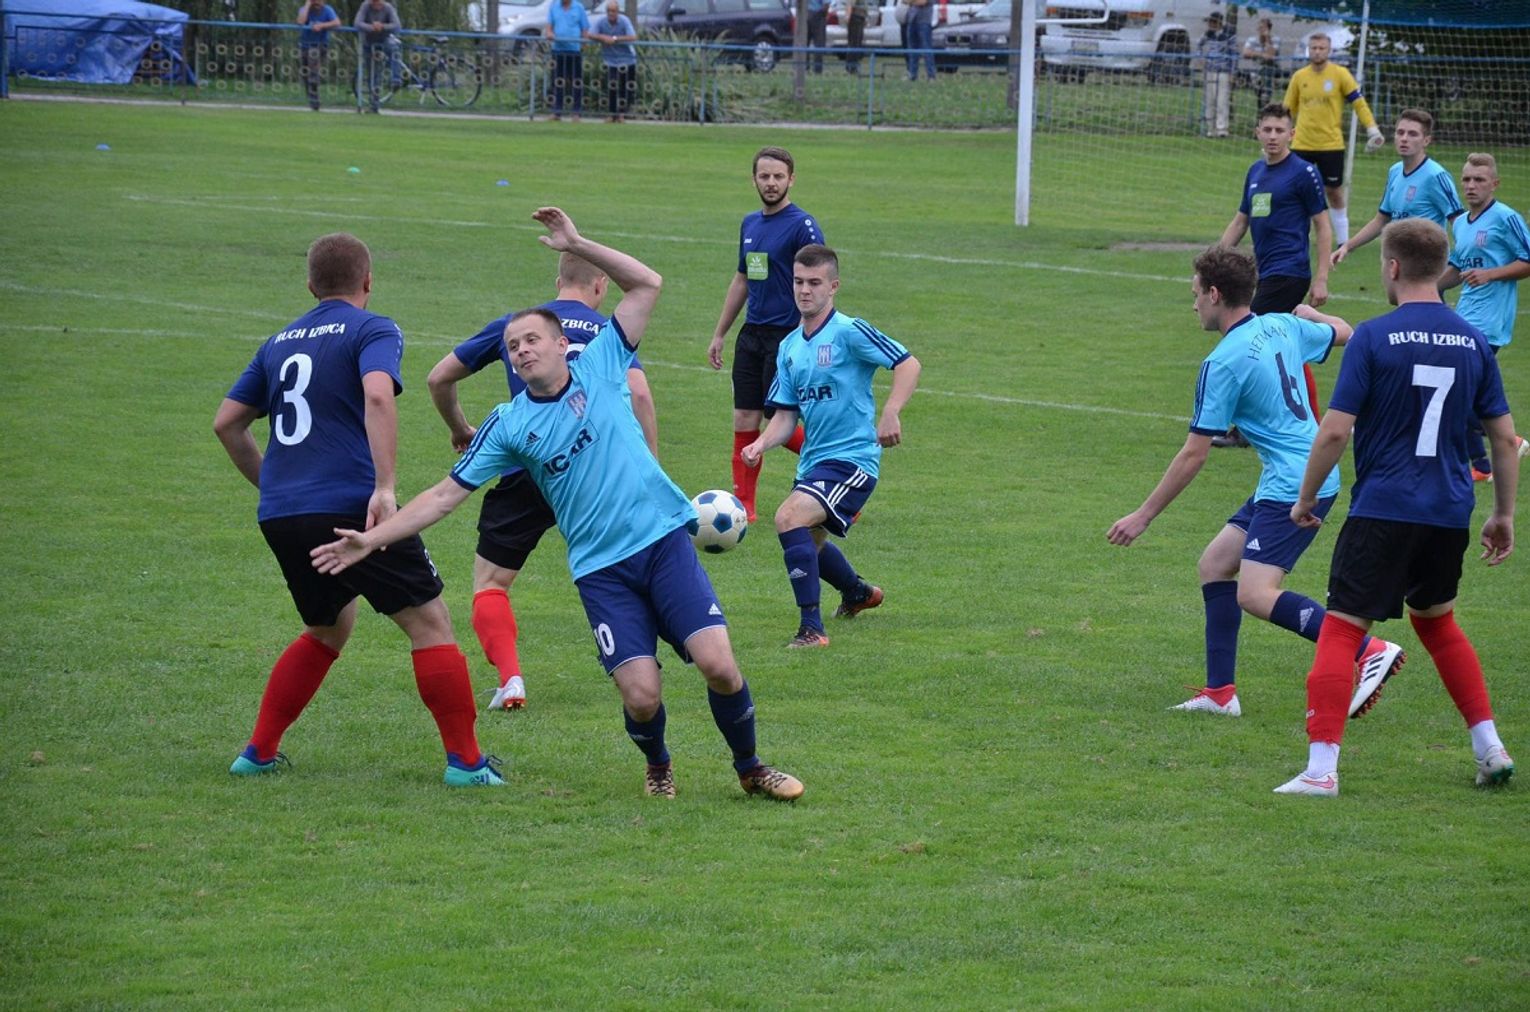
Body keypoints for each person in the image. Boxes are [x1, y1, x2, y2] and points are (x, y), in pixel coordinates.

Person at [313, 208, 805, 803]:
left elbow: (647, 283)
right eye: (512, 346)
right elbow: (444, 496)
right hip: (601, 570)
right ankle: (658, 764)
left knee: (719, 666)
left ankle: (751, 768)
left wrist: (578, 243)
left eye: (531, 340)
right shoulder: (508, 425)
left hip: (661, 544)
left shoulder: (601, 364)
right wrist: (373, 538)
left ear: (562, 344)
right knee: (641, 696)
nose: (521, 351)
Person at [215, 233, 502, 787]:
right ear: (368, 281)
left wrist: (275, 486)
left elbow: (227, 423)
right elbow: (376, 394)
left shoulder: (277, 343)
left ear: (310, 286)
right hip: (351, 505)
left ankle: (257, 753)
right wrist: (385, 486)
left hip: (282, 513)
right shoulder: (373, 328)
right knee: (429, 622)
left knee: (328, 627)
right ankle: (467, 765)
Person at [1107, 245, 1403, 718]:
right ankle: (1220, 694)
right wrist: (1312, 314)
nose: (1193, 305)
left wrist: (1143, 516)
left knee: (1255, 593)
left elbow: (1194, 453)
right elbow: (1346, 332)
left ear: (1215, 294)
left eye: (1196, 294)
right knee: (1215, 564)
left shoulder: (1222, 363)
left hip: (1294, 484)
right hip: (1301, 473)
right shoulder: (1280, 324)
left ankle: (1368, 649)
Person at [1278, 218, 1518, 796]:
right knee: (1437, 623)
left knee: (1341, 629)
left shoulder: (1373, 337)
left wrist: (1306, 497)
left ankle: (1321, 769)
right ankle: (1490, 747)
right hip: (1448, 511)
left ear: (1391, 267)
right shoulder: (1474, 342)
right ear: (1440, 269)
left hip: (1383, 507)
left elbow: (1335, 431)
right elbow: (1504, 440)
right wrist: (1503, 514)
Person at [425, 252, 659, 711]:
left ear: (558, 282)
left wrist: (459, 428)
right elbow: (640, 394)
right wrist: (649, 466)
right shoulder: (606, 330)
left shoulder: (517, 328)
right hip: (594, 469)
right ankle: (639, 655)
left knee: (491, 582)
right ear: (600, 285)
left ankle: (511, 680)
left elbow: (438, 379)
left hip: (529, 465)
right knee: (625, 565)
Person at [740, 245, 922, 648]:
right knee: (811, 543)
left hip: (853, 461)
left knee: (788, 518)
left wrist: (891, 411)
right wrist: (761, 443)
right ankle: (858, 592)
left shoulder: (849, 331)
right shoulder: (790, 347)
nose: (805, 290)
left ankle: (812, 629)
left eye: (814, 283)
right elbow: (785, 417)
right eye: (798, 282)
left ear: (833, 286)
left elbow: (908, 363)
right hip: (814, 463)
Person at [707, 146, 822, 522]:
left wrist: (809, 332)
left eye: (778, 176)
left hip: (786, 336)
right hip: (751, 335)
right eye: (764, 176)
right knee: (744, 418)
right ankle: (745, 507)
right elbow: (742, 279)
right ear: (754, 180)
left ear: (791, 179)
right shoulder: (750, 224)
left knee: (778, 422)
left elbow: (817, 280)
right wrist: (720, 333)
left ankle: (835, 476)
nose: (771, 183)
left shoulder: (803, 226)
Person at [1216, 103, 1333, 449]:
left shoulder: (1304, 173)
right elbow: (1241, 220)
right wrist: (1214, 261)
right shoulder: (1255, 172)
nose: (1272, 136)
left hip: (1290, 271)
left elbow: (1322, 226)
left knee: (1247, 339)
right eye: (1267, 129)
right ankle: (1309, 423)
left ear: (1291, 134)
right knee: (1283, 347)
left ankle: (1244, 428)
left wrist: (1321, 277)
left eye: (1279, 130)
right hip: (1264, 272)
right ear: (1257, 132)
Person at [1439, 152, 1530, 481]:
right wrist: (1426, 289)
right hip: (1465, 315)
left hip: (1490, 322)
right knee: (1460, 390)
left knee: (1456, 391)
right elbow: (1458, 268)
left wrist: (1491, 274)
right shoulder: (1462, 223)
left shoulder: (1506, 218)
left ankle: (1510, 441)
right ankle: (1481, 465)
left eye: (1479, 180)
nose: (1471, 185)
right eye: (1466, 179)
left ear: (1495, 183)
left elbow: (1528, 260)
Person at [1283, 31, 1386, 247]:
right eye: (1313, 48)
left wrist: (1372, 129)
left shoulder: (1340, 74)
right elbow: (1287, 110)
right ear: (1308, 50)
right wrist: (1280, 137)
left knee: (1334, 191)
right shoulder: (1299, 77)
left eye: (1321, 48)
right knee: (1296, 191)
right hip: (1301, 143)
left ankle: (1343, 241)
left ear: (1329, 51)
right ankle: (1296, 237)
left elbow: (1358, 102)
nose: (1317, 52)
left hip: (1331, 144)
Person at [1331, 109, 1464, 265]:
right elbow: (1381, 220)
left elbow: (1459, 222)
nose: (1404, 139)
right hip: (1398, 264)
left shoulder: (1435, 176)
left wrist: (1461, 262)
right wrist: (1347, 246)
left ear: (1426, 141)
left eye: (1412, 134)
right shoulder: (1395, 171)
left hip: (1427, 267)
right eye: (1400, 133)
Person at [590, 1, 637, 122]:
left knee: (625, 89)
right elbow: (590, 34)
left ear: (618, 12)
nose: (611, 13)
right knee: (612, 87)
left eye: (613, 11)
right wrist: (602, 37)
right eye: (609, 11)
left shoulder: (624, 20)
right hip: (611, 60)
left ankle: (621, 114)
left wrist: (615, 39)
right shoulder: (601, 21)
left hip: (627, 60)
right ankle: (611, 114)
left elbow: (632, 37)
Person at [353, 0, 402, 114]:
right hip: (369, 42)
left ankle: (396, 79)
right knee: (373, 74)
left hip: (385, 39)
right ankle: (374, 105)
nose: (376, 4)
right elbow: (357, 23)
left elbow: (397, 25)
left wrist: (382, 26)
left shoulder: (388, 7)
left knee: (394, 50)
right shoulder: (365, 6)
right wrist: (371, 27)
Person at [544, 0, 590, 121]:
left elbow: (585, 28)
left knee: (576, 82)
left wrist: (584, 45)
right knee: (557, 82)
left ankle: (576, 112)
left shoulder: (579, 7)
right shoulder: (554, 7)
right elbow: (549, 27)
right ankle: (556, 112)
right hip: (557, 50)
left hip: (574, 50)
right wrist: (549, 34)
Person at [1197, 12, 1238, 139]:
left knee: (1222, 100)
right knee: (1209, 99)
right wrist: (1200, 58)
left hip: (1223, 71)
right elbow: (1199, 45)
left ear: (1218, 22)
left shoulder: (1229, 35)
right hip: (1210, 71)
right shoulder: (1207, 35)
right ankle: (1210, 128)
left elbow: (1234, 54)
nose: (1209, 24)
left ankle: (1222, 128)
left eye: (1212, 22)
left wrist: (1233, 72)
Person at [295, 0, 341, 111]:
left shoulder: (328, 10)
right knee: (306, 73)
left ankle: (315, 101)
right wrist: (307, 5)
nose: (316, 3)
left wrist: (322, 25)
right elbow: (300, 22)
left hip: (319, 45)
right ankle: (312, 100)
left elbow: (337, 23)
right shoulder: (304, 9)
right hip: (305, 45)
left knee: (313, 72)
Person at [1242, 17, 1280, 110]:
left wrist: (1267, 39)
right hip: (1255, 74)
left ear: (1269, 29)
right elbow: (1245, 53)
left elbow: (1271, 54)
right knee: (1259, 98)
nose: (1261, 30)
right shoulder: (1252, 40)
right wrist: (1261, 54)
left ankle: (1264, 114)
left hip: (1268, 74)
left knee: (1265, 98)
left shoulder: (1276, 39)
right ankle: (1261, 115)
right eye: (1259, 28)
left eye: (1263, 28)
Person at [904, 0, 935, 82]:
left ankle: (931, 76)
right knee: (912, 50)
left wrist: (910, 2)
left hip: (924, 21)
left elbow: (922, 2)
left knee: (927, 49)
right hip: (911, 20)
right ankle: (912, 74)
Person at [844, 0, 868, 75]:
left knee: (857, 44)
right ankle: (851, 67)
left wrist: (865, 16)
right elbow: (850, 4)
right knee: (854, 44)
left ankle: (853, 66)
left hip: (859, 18)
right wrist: (848, 16)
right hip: (855, 18)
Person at [806, 0, 829, 74]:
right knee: (819, 44)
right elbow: (826, 4)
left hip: (805, 14)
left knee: (804, 43)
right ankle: (817, 69)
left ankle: (804, 67)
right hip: (818, 14)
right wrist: (824, 15)